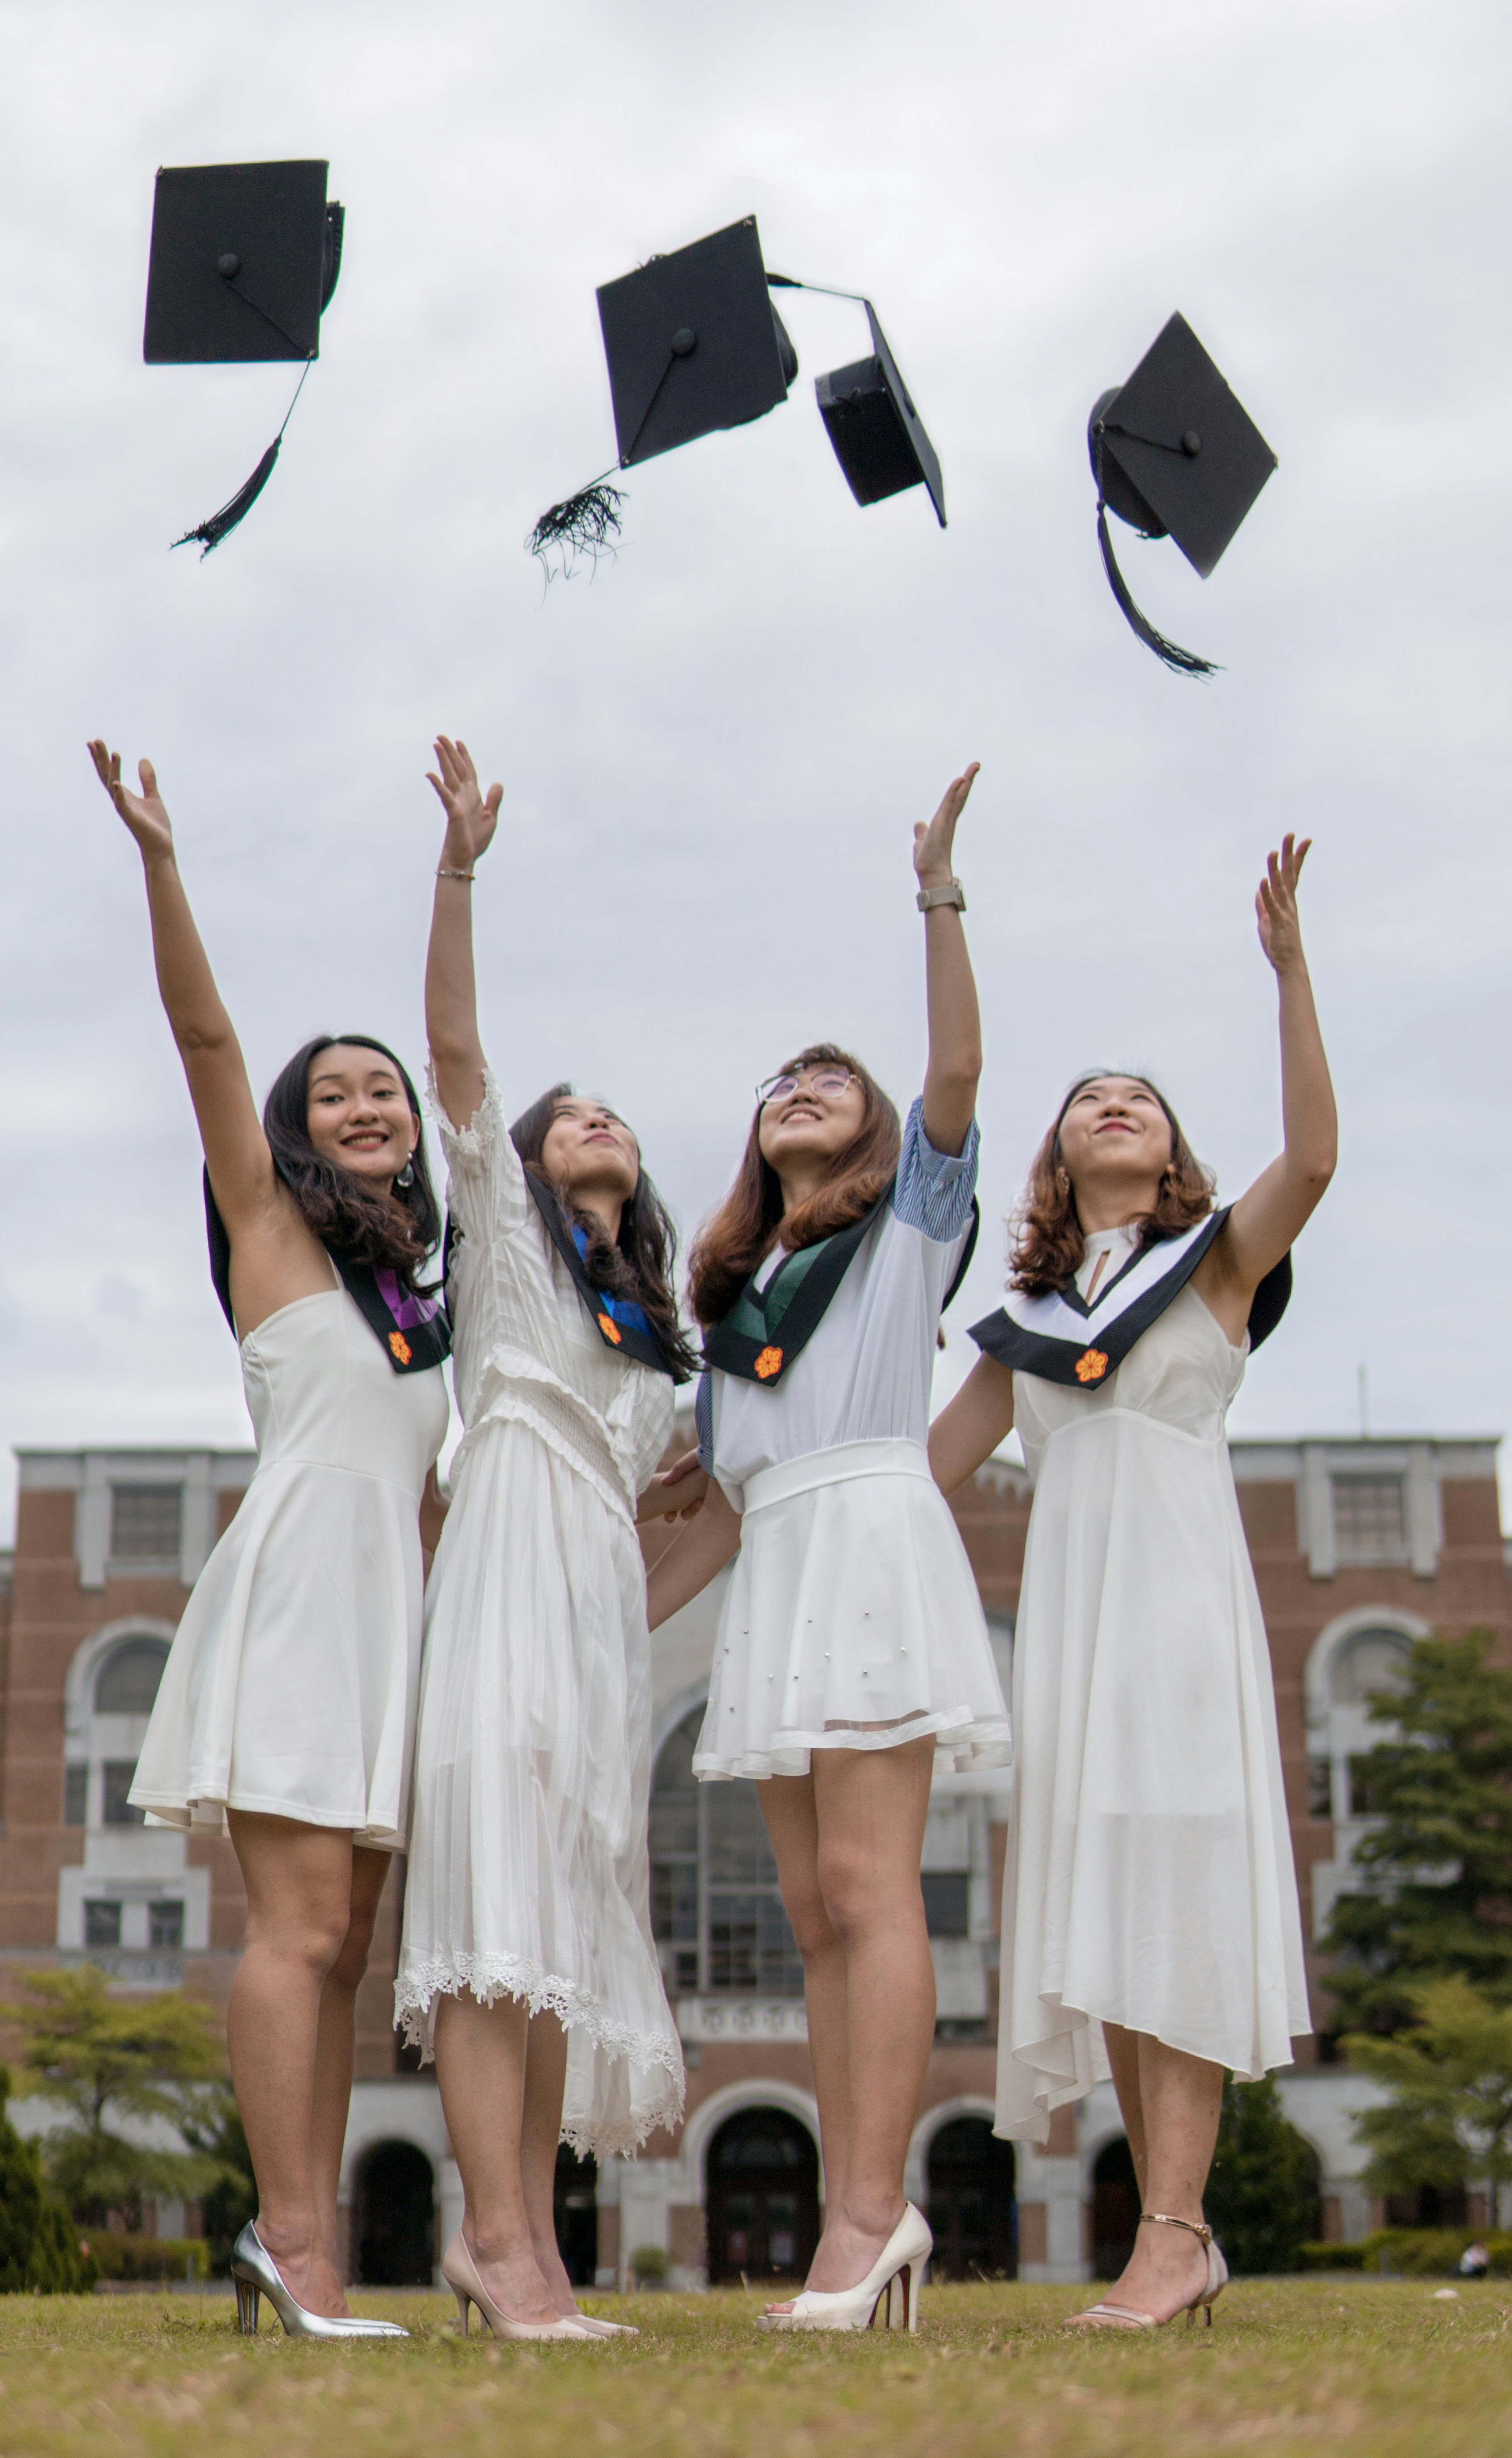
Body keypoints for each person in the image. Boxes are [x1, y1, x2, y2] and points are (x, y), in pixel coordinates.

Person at [929, 835, 1336, 2331]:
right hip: (1073, 1619)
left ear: (1170, 1158)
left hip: (1175, 1599)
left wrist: (1288, 974)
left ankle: (1173, 2230)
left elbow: (1315, 1158)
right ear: (1056, 1155)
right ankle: (1171, 2236)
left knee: (1178, 1880)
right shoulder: (1026, 1323)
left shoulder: (1216, 1265)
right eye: (1089, 1096)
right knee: (1105, 1900)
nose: (1114, 1101)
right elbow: (917, 1475)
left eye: (1142, 1099)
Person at [87, 741, 451, 2342]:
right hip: (303, 1596)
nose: (364, 1105)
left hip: (391, 1616)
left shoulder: (425, 1301)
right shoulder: (269, 1226)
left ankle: (308, 2256)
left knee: (347, 1946)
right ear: (300, 1132)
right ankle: (290, 2243)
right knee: (298, 1930)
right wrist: (164, 863)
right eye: (335, 1093)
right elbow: (207, 1037)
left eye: (386, 1090)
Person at [644, 765, 1009, 2334]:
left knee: (870, 1886)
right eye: (779, 1079)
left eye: (828, 1078)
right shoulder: (729, 1316)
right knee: (813, 1915)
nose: (801, 1086)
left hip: (868, 1545)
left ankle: (870, 2213)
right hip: (779, 1578)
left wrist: (935, 893)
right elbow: (721, 1516)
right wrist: (589, 1620)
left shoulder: (903, 1234)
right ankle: (852, 2230)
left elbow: (956, 1071)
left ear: (869, 1130)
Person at [396, 737, 695, 2343]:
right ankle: (492, 2239)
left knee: (561, 1923)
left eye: (612, 1115)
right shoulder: (508, 1245)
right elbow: (454, 1051)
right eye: (566, 1114)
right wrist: (458, 868)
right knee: (489, 1905)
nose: (592, 1122)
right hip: (507, 1551)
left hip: (595, 1606)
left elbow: (688, 1497)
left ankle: (537, 2259)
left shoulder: (656, 1341)